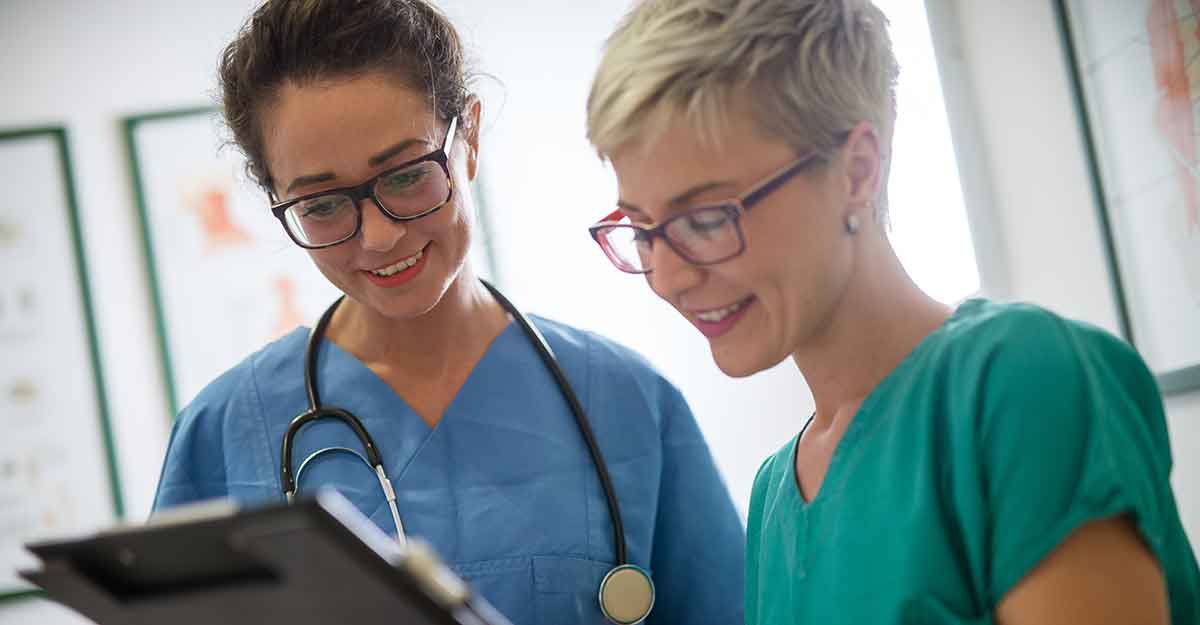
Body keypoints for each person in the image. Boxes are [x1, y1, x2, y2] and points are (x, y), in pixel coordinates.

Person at [584, 0, 1200, 623]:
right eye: (641, 228)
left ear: (856, 171)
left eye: (708, 219)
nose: (667, 276)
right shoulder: (775, 492)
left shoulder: (1019, 382)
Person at [150, 2, 745, 624]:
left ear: (471, 139)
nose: (377, 236)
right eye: (322, 204)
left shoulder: (625, 402)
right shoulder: (225, 432)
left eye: (406, 176)